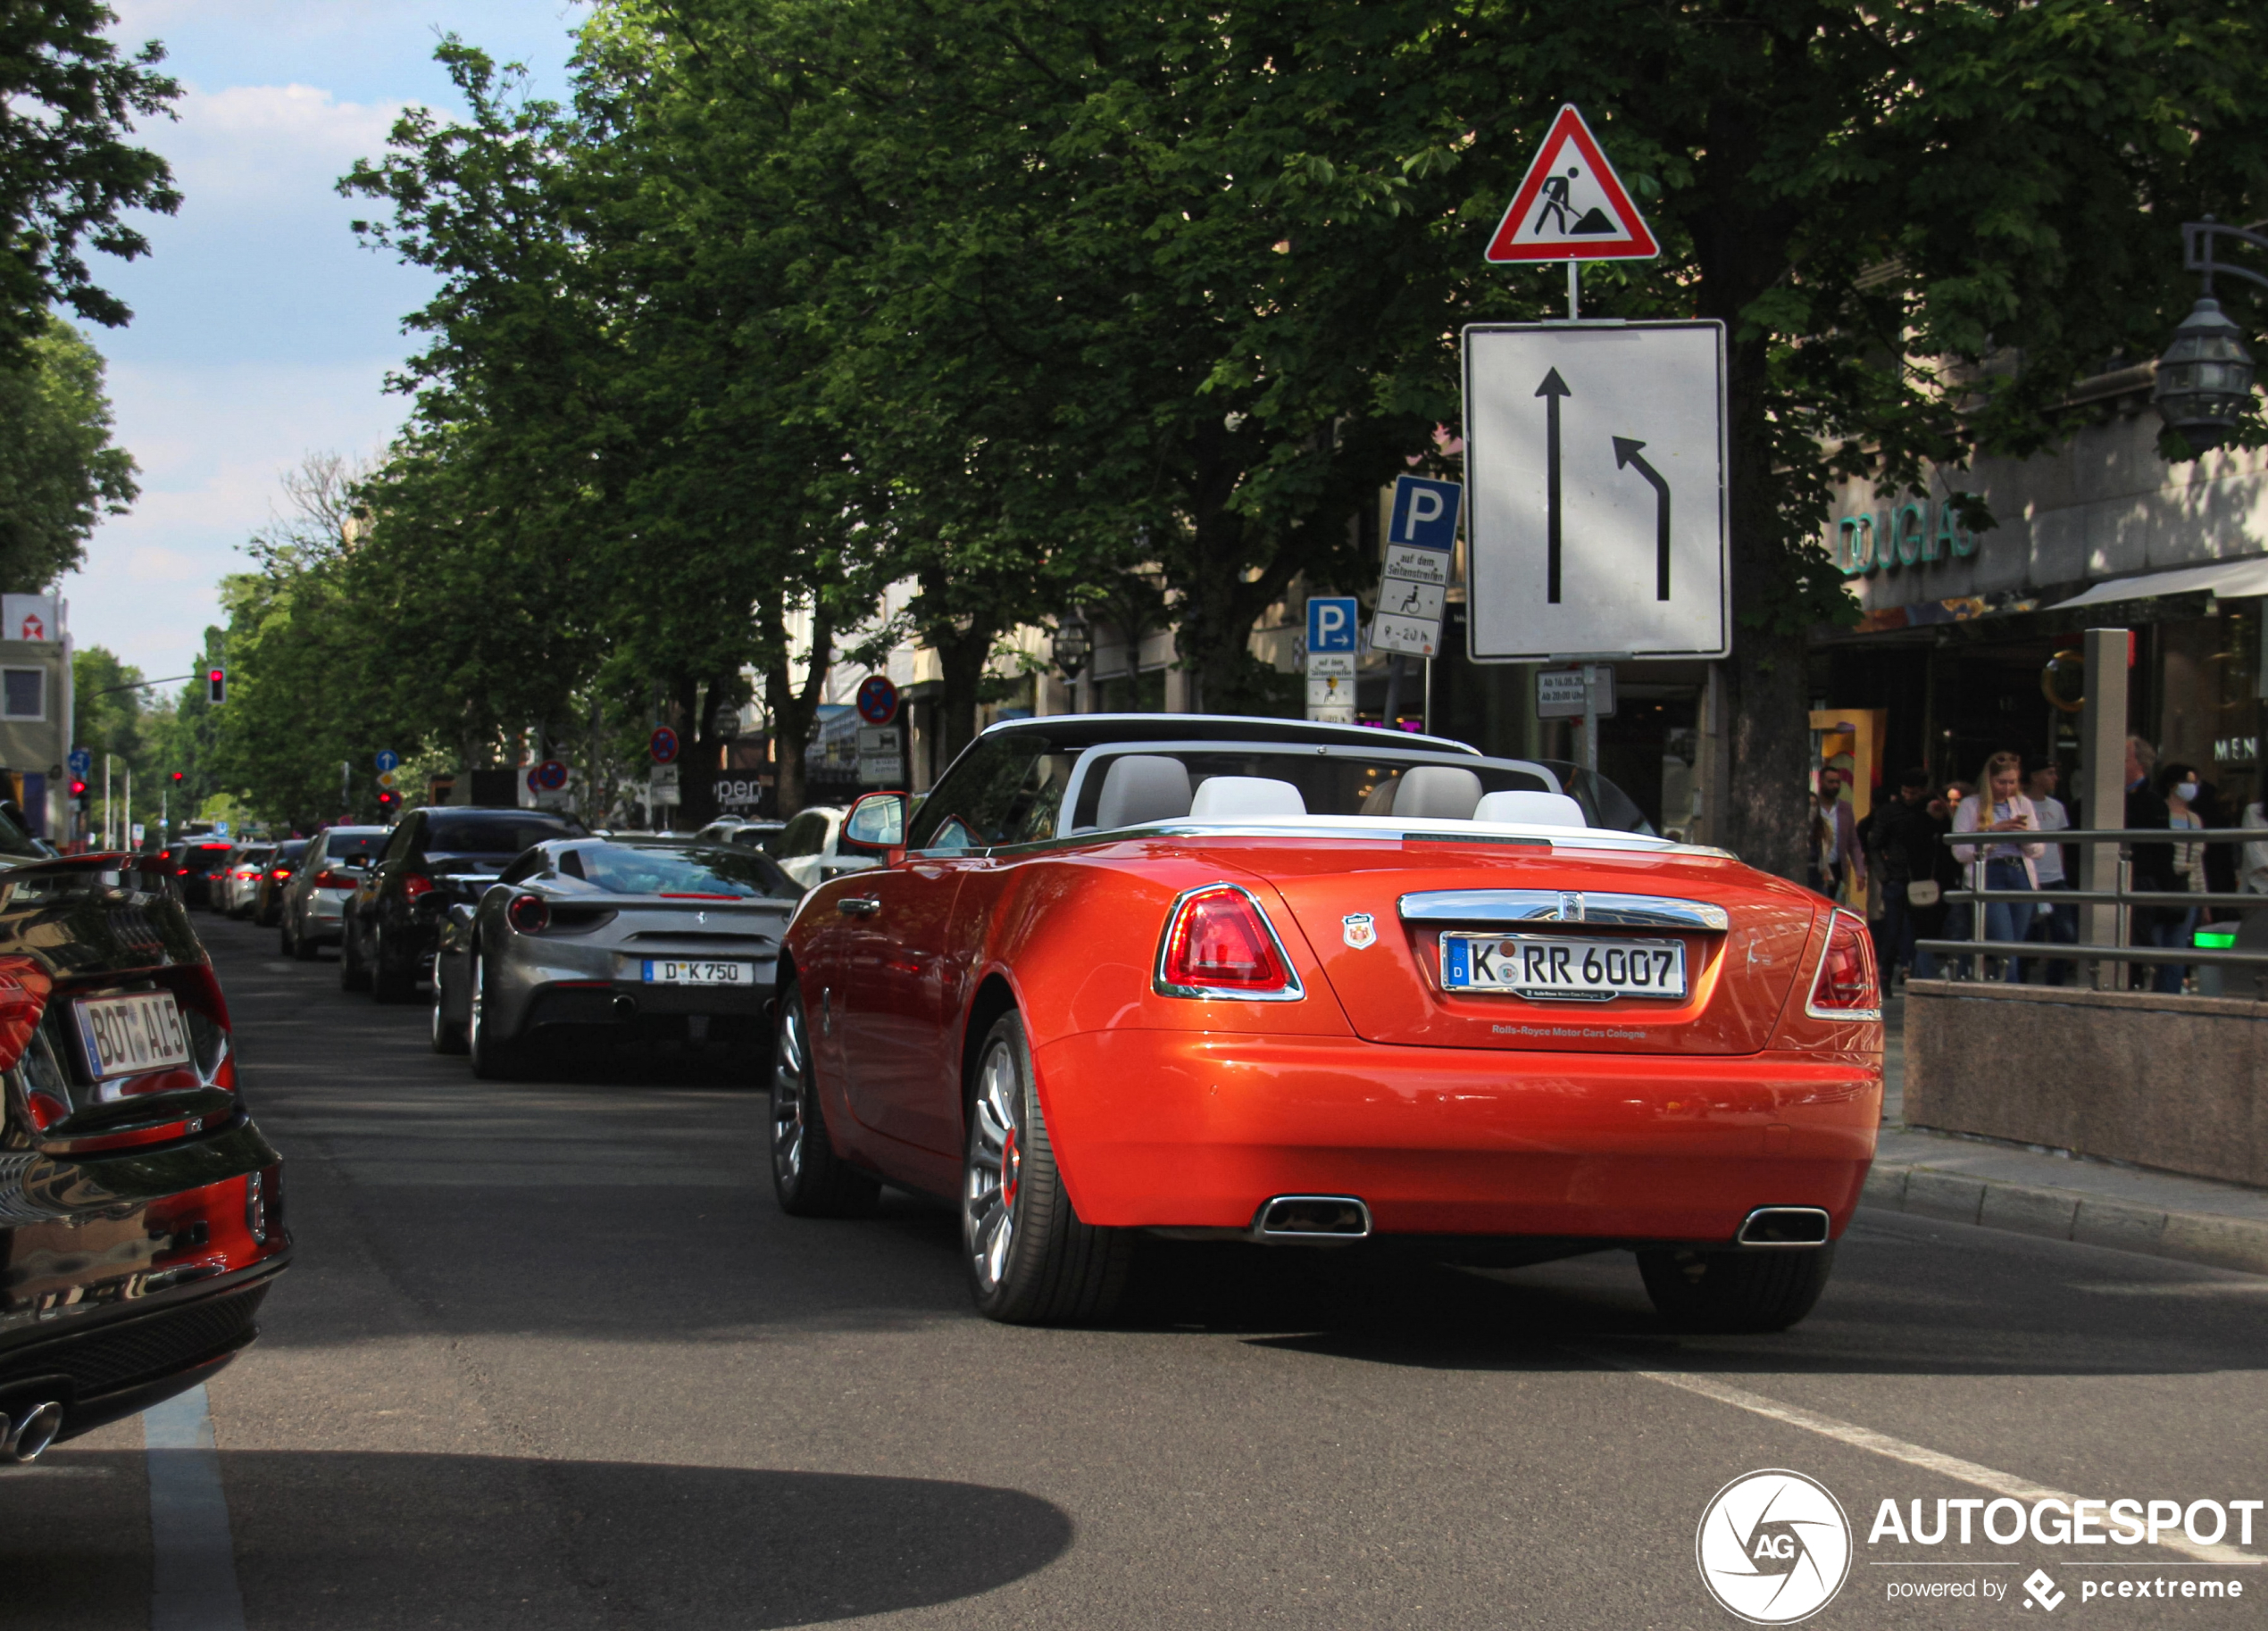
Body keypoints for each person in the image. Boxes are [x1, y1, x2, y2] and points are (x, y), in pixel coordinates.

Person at [1951, 751, 2044, 981]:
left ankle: (2005, 990)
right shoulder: (1970, 805)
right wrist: (1993, 833)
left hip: (2020, 872)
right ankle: (2008, 995)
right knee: (2004, 943)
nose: (2006, 788)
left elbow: (2039, 849)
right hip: (1990, 873)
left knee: (2016, 945)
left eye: (2012, 782)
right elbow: (1960, 851)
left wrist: (2023, 837)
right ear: (1989, 780)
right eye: (2001, 782)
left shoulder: (2023, 803)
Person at [1868, 768, 1937, 985]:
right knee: (1893, 931)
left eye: (1914, 793)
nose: (1909, 797)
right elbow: (1874, 845)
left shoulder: (1928, 812)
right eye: (1906, 792)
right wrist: (1884, 875)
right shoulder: (1889, 812)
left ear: (1923, 792)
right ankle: (1888, 976)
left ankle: (1912, 972)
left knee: (1917, 930)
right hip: (1898, 878)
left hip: (1919, 878)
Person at [2122, 737, 2180, 992]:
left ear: (2137, 763)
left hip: (2140, 878)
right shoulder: (2105, 796)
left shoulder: (2150, 800)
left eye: (2123, 758)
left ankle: (2141, 989)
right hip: (2114, 875)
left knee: (2139, 941)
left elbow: (2161, 851)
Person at [2022, 761, 2076, 985]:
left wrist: (2061, 871)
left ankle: (2055, 984)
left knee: (2064, 935)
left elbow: (2059, 843)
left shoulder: (2057, 807)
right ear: (2035, 776)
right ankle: (2020, 984)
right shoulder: (2021, 805)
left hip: (2055, 879)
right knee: (2027, 937)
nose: (2055, 778)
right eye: (2050, 773)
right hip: (2030, 877)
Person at [1808, 765, 1865, 903]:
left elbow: (1853, 843)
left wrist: (1860, 872)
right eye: (1831, 782)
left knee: (1834, 905)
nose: (1835, 786)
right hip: (1816, 868)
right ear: (1821, 782)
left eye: (1838, 782)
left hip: (1837, 868)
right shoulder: (1812, 805)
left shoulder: (1845, 808)